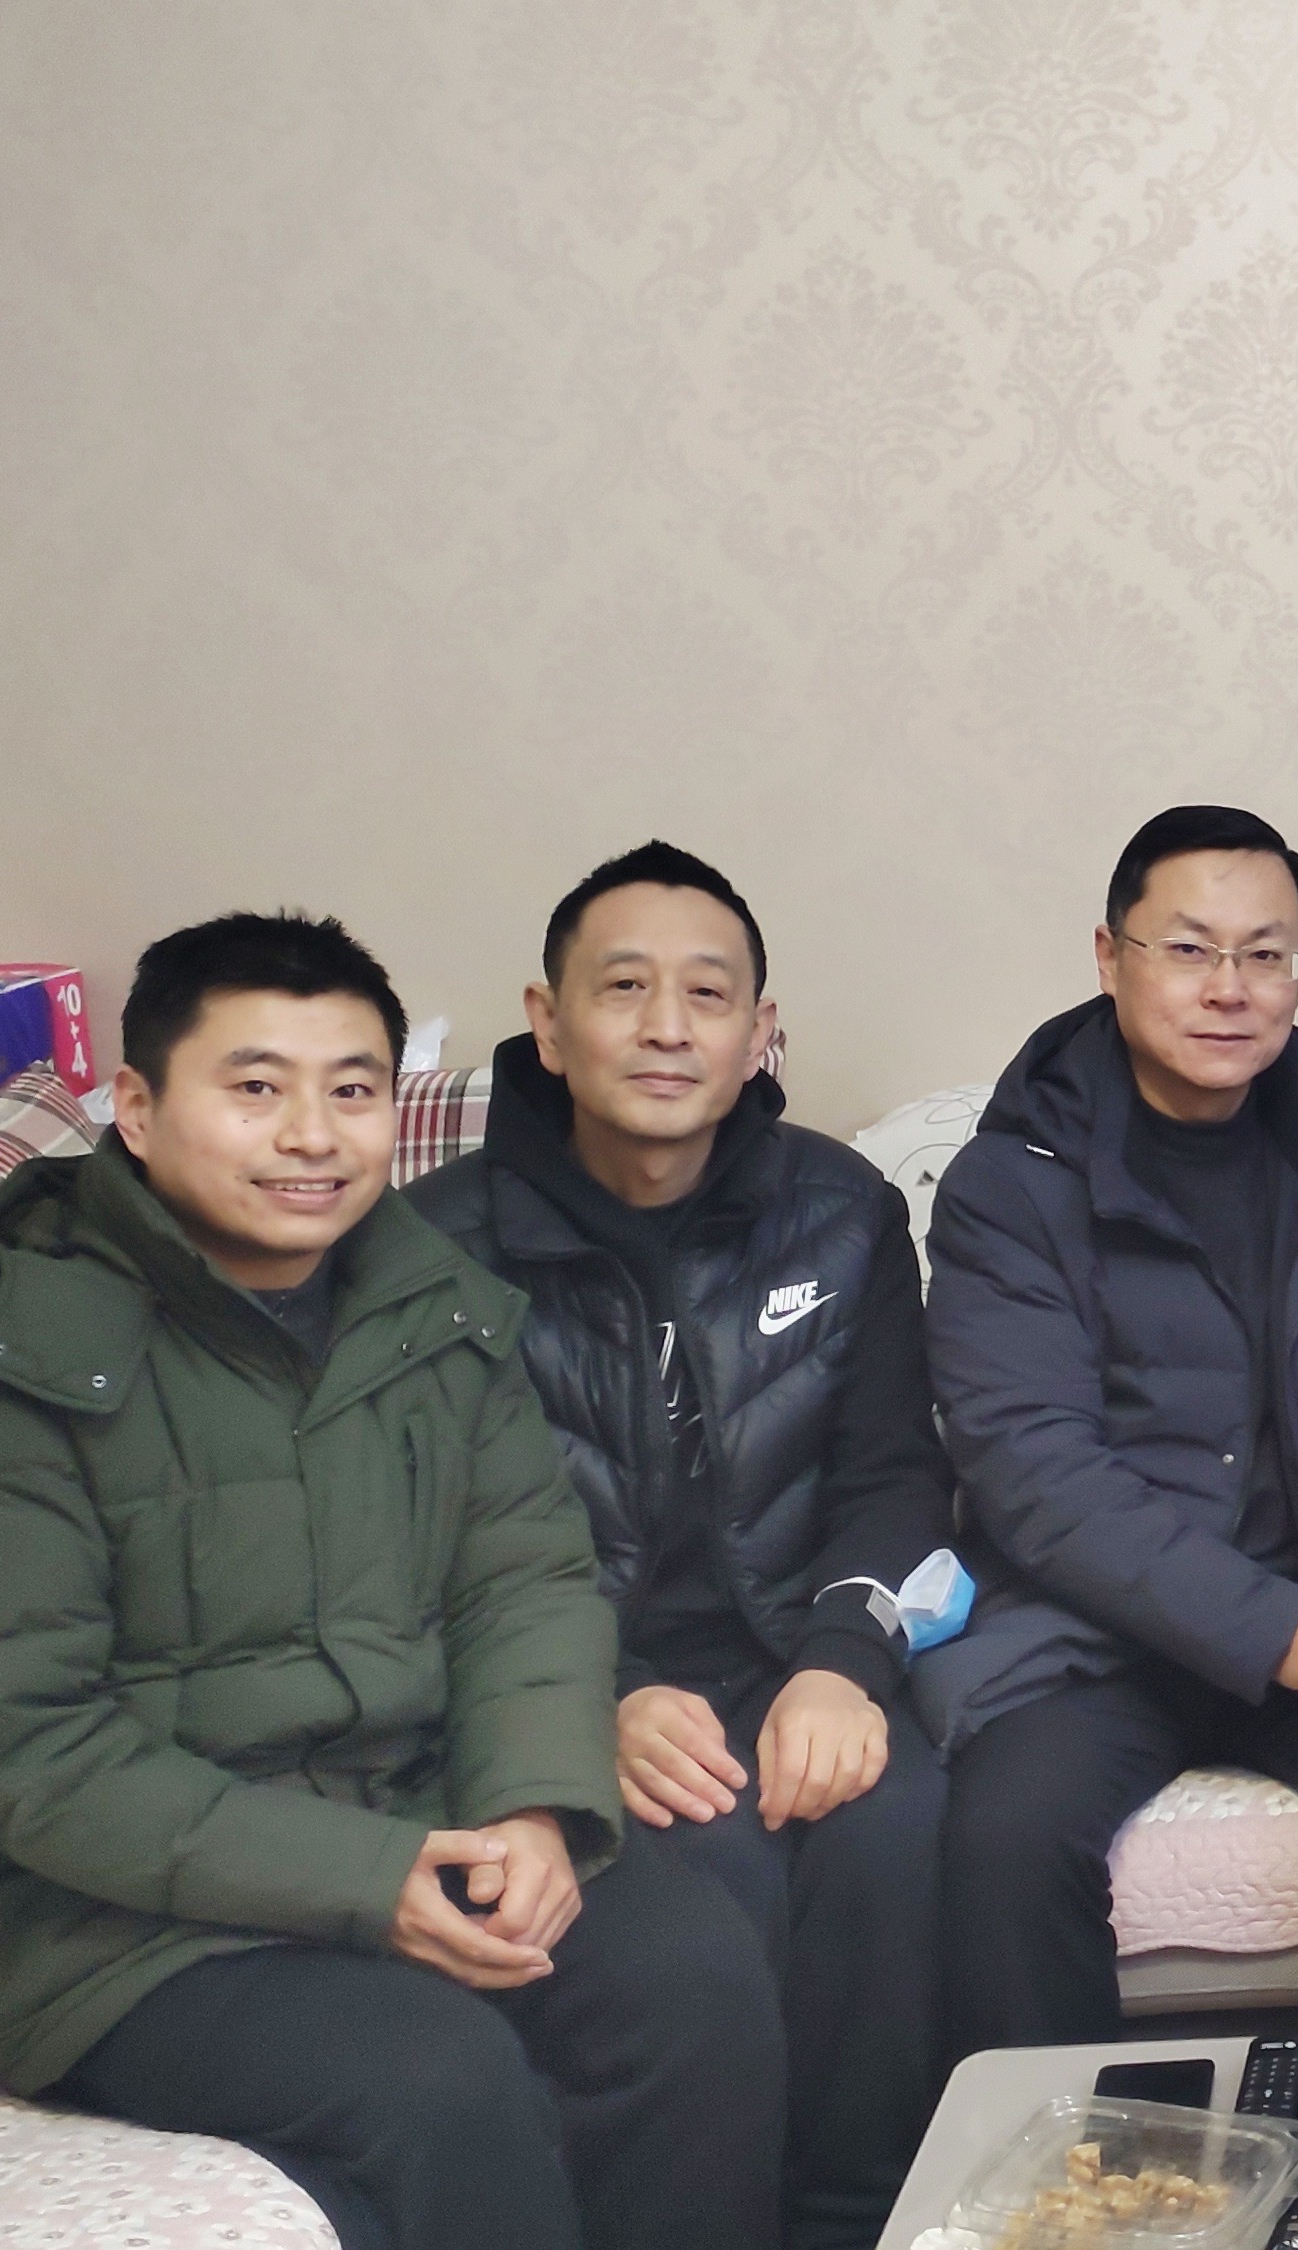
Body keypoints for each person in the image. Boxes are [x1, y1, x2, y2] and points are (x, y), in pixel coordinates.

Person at [0, 912, 780, 2250]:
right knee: (439, 2079)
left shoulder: (439, 1311)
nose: (311, 1135)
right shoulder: (2, 1370)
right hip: (115, 1921)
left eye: (351, 1091)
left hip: (422, 1810)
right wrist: (368, 1877)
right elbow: (18, 1744)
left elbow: (525, 1586)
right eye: (255, 1088)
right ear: (137, 1108)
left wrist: (533, 1809)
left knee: (690, 1976)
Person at [922, 806, 1298, 2049]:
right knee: (1003, 1833)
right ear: (1110, 957)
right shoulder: (1011, 1182)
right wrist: (1271, 1629)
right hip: (1098, 1636)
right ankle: (1064, 2158)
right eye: (1191, 949)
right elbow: (1034, 1467)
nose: (1230, 989)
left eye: (1267, 954)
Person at [408, 843, 948, 2250]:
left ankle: (861, 2223)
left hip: (788, 1651)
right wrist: (597, 1695)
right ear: (546, 1021)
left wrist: (843, 1663)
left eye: (706, 995)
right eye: (623, 989)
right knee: (721, 1870)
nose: (666, 1027)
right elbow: (424, 1545)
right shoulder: (430, 1250)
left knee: (893, 1829)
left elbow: (895, 1476)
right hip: (569, 1675)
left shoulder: (841, 1209)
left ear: (761, 1031)